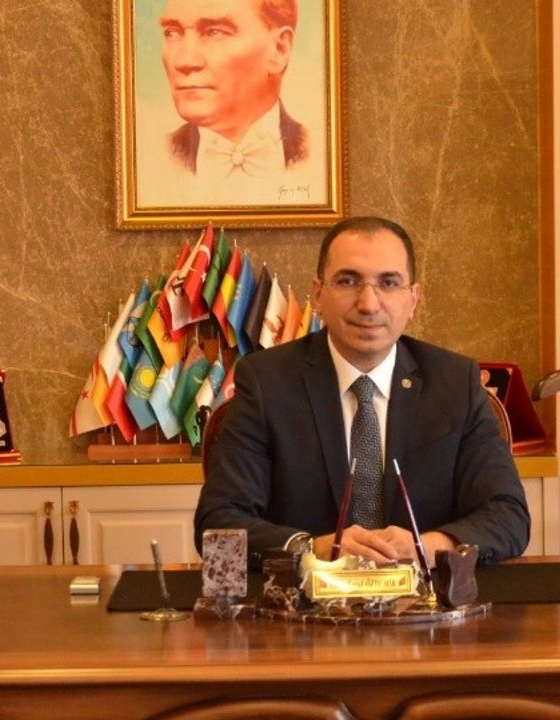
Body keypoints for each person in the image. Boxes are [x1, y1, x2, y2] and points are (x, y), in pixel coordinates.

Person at [194, 217, 530, 566]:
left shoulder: (455, 383)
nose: (368, 304)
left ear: (413, 299)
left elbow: (509, 516)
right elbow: (218, 525)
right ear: (318, 294)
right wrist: (313, 549)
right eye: (348, 281)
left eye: (389, 283)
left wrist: (426, 548)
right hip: (308, 598)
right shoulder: (266, 382)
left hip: (425, 596)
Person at [156, 0, 308, 202]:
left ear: (279, 50)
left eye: (215, 32)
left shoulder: (319, 156)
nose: (183, 61)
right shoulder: (154, 159)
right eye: (172, 33)